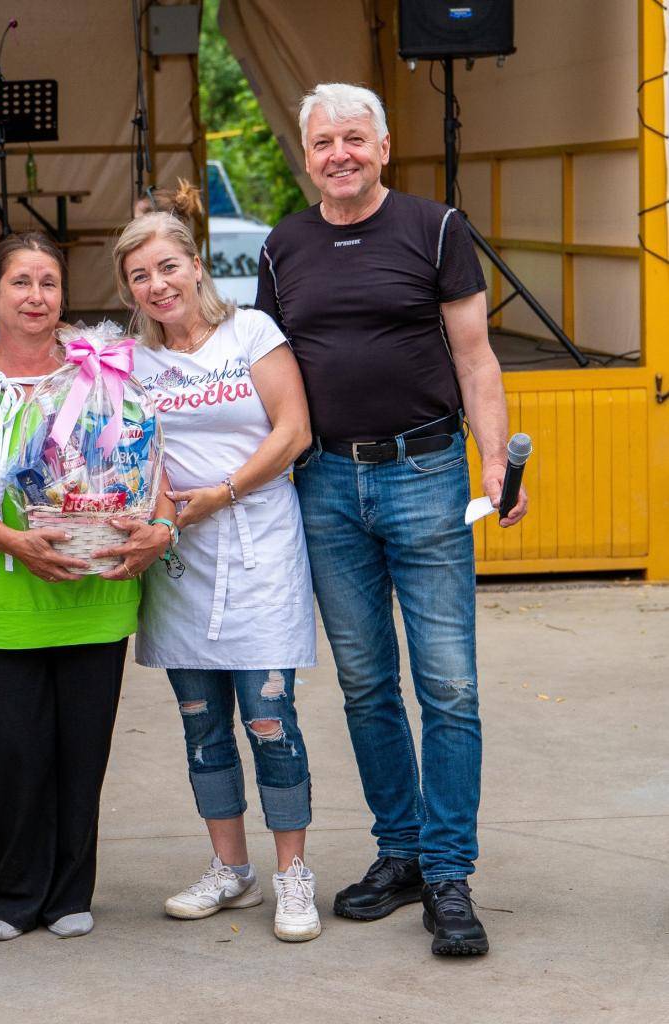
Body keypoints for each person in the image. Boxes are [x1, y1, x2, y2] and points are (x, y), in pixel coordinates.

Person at [256, 82, 529, 957]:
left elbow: (475, 360)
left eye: (353, 138)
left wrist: (495, 462)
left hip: (426, 474)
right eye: (322, 142)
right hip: (326, 485)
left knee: (448, 685)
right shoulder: (283, 245)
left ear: (382, 148)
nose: (338, 153)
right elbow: (265, 372)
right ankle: (401, 851)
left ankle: (448, 873)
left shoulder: (435, 229)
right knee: (367, 684)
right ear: (308, 158)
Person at [0, 233, 171, 940]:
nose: (36, 297)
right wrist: (13, 543)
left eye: (49, 283)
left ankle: (68, 892)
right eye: (21, 282)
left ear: (64, 296)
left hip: (96, 596)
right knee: (4, 755)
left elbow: (151, 468)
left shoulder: (104, 376)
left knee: (80, 756)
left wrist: (158, 525)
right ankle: (10, 892)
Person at [111, 186, 322, 942]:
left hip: (259, 545)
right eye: (140, 276)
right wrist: (169, 512)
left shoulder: (251, 331)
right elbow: (134, 453)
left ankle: (293, 874)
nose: (158, 285)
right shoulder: (133, 361)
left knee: (269, 719)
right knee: (201, 722)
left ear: (196, 265)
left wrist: (224, 492)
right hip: (180, 558)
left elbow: (293, 430)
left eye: (169, 266)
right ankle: (231, 869)